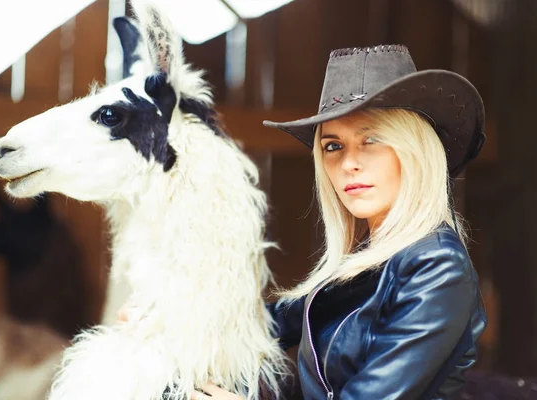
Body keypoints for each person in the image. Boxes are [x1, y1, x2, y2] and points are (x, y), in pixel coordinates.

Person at [122, 44, 487, 400]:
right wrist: (167, 321)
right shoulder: (363, 260)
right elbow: (267, 324)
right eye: (332, 146)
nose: (348, 164)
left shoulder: (437, 265)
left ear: (415, 151)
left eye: (371, 140)